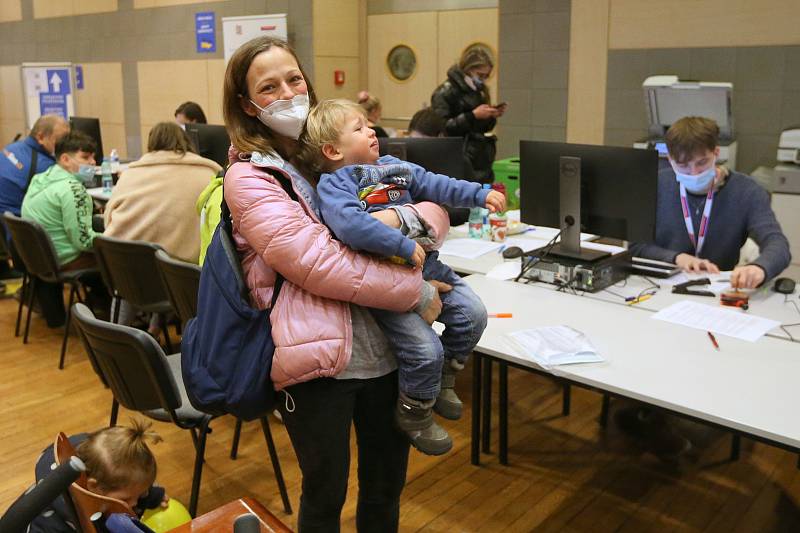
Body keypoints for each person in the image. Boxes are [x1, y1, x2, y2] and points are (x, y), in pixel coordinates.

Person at [223, 36, 452, 531]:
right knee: (325, 496)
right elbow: (318, 264)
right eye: (269, 86)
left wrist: (398, 222)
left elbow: (426, 203)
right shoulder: (251, 178)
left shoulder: (332, 149)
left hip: (388, 346)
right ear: (247, 104)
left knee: (385, 490)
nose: (287, 92)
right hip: (320, 360)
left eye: (294, 79)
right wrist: (416, 289)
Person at [296, 99, 501, 455]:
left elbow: (439, 185)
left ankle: (444, 377)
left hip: (427, 264)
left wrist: (481, 194)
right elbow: (351, 226)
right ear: (332, 149)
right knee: (425, 349)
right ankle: (415, 411)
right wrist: (401, 244)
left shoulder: (395, 167)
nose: (371, 131)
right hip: (386, 274)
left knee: (474, 315)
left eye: (368, 125)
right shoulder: (336, 184)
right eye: (358, 129)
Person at [630, 116, 791, 288]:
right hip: (659, 284)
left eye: (702, 162)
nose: (694, 172)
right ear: (670, 160)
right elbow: (636, 246)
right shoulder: (656, 184)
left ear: (716, 153)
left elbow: (778, 244)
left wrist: (759, 268)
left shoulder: (747, 191)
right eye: (683, 165)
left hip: (718, 287)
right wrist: (678, 258)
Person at [104, 122, 222, 264]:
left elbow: (108, 220)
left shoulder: (129, 174)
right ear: (185, 141)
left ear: (151, 144)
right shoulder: (208, 175)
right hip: (181, 276)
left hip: (123, 269)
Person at [21, 131, 106, 326]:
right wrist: (113, 239)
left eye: (93, 156)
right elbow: (84, 241)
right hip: (65, 259)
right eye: (85, 157)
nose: (93, 162)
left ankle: (99, 303)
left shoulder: (41, 178)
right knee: (120, 257)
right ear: (66, 159)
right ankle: (116, 318)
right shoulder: (73, 189)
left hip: (41, 257)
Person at [25, 419, 168, 532]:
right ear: (93, 486)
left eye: (141, 494)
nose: (134, 504)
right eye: (126, 499)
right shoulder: (61, 522)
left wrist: (153, 495)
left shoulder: (108, 490)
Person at [431, 47, 506, 183]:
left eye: (486, 76)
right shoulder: (445, 92)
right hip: (458, 155)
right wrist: (472, 115)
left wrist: (491, 115)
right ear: (467, 69)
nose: (483, 80)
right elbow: (442, 127)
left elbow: (482, 128)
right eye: (480, 75)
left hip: (480, 156)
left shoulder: (480, 91)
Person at [0, 114, 70, 218]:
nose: (66, 144)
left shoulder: (11, 147)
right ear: (41, 137)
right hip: (17, 225)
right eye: (60, 140)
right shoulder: (45, 166)